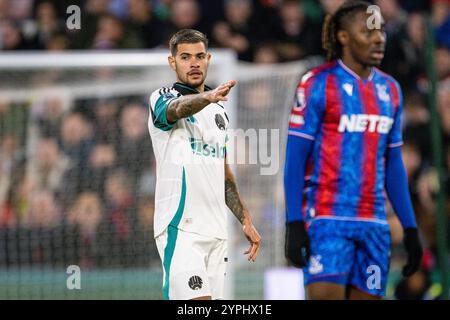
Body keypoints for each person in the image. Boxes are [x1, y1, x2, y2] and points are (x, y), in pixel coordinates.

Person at [284, 1, 423, 300]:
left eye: (381, 31)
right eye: (367, 31)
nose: (378, 39)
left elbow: (394, 164)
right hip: (326, 218)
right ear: (343, 37)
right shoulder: (317, 83)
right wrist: (294, 221)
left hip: (374, 222)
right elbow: (295, 159)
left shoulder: (391, 90)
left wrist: (410, 228)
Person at [147, 29, 261, 300]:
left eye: (199, 56)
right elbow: (175, 110)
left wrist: (245, 219)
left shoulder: (219, 111)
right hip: (181, 226)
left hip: (216, 231)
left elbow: (223, 175)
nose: (194, 63)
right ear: (172, 62)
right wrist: (205, 98)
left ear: (209, 59)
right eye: (185, 57)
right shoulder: (162, 97)